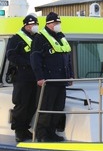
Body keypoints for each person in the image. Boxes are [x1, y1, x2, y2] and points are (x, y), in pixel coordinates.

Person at [30, 12, 74, 142]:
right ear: (48, 24)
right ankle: (42, 135)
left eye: (58, 23)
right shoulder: (39, 39)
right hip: (48, 81)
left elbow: (68, 58)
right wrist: (39, 77)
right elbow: (35, 59)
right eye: (55, 23)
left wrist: (70, 76)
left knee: (58, 108)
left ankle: (51, 133)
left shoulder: (61, 37)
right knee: (46, 108)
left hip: (61, 80)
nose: (58, 25)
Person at [6, 14, 39, 142]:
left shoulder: (37, 38)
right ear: (26, 25)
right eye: (32, 25)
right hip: (22, 76)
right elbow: (11, 55)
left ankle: (25, 129)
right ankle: (19, 131)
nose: (34, 27)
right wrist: (28, 62)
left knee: (32, 104)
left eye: (36, 24)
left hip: (35, 77)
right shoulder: (16, 39)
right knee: (21, 104)